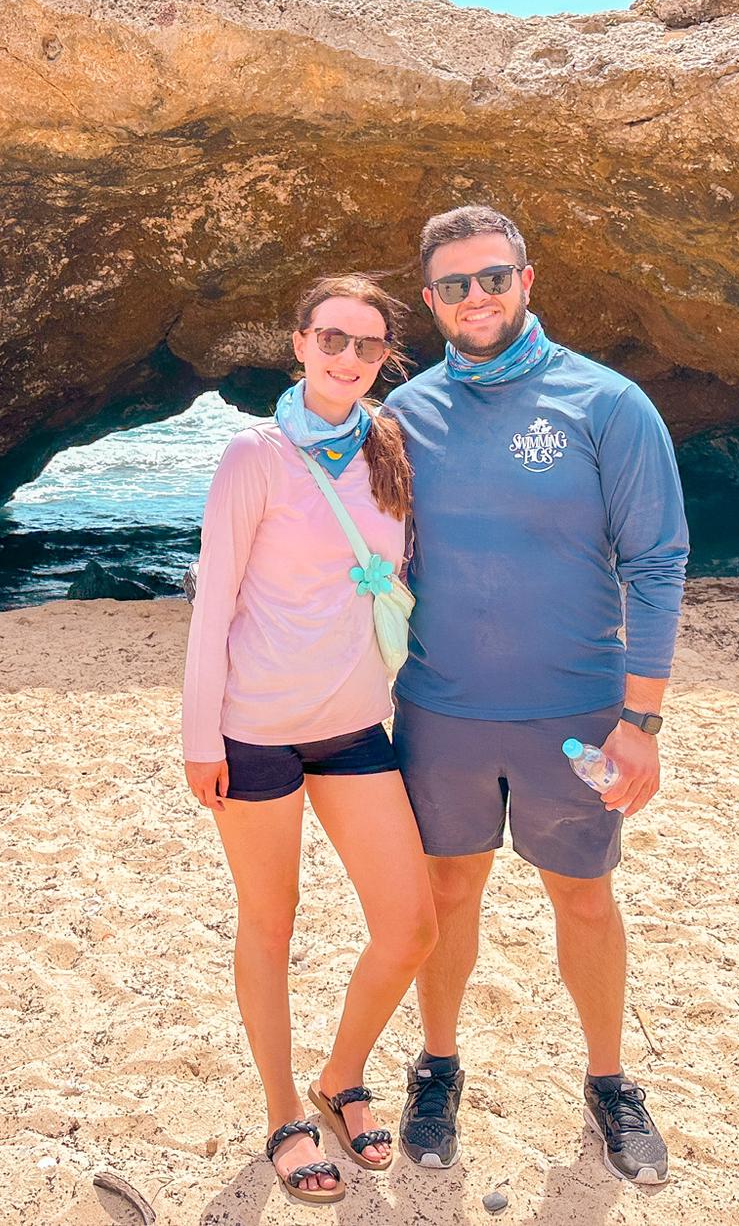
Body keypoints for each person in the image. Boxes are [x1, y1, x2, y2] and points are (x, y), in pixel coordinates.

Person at [384, 204, 689, 1187]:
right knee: (444, 894)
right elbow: (361, 560)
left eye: (496, 277)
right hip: (441, 713)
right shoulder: (407, 417)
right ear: (432, 301)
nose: (479, 298)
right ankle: (437, 1068)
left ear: (529, 279)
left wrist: (640, 720)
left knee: (585, 898)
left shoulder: (610, 405)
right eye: (456, 285)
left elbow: (658, 561)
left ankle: (609, 1081)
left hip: (579, 719)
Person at [182, 274, 438, 1206]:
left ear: (383, 361)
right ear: (298, 343)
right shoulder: (253, 454)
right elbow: (214, 601)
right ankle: (286, 1111)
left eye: (368, 347)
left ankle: (342, 1075)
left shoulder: (388, 447)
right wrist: (198, 734)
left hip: (353, 722)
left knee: (410, 924)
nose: (348, 358)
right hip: (252, 730)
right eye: (332, 339)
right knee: (272, 921)